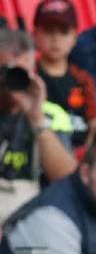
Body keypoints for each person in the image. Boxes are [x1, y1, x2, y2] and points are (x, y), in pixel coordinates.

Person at [0, 29, 78, 221]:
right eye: (6, 71)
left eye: (21, 72)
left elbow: (67, 181)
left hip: (32, 217)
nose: (12, 79)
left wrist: (36, 119)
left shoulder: (51, 114)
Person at [33, 0, 96, 147]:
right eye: (48, 30)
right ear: (35, 34)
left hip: (78, 156)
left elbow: (94, 125)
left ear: (75, 37)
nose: (56, 38)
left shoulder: (83, 80)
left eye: (63, 31)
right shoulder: (29, 77)